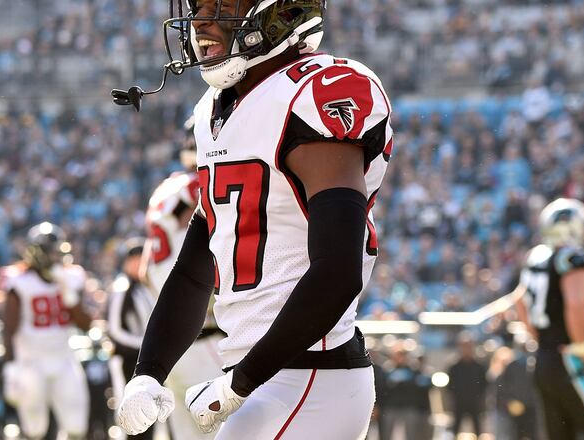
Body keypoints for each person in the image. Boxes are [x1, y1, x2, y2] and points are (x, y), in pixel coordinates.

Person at [116, 0, 393, 438]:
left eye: (222, 5)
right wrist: (149, 372)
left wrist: (239, 383)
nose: (201, 21)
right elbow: (194, 268)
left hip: (311, 377)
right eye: (198, 6)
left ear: (280, 11)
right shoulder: (214, 110)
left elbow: (339, 271)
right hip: (265, 378)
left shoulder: (316, 91)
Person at [139, 117, 225, 440]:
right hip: (204, 336)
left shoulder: (165, 189)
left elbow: (146, 272)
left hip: (170, 341)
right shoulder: (199, 186)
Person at [515, 198, 584, 440]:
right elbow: (576, 302)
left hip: (543, 360)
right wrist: (581, 348)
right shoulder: (572, 259)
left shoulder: (536, 257)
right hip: (570, 361)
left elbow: (519, 302)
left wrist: (542, 339)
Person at [0, 222, 93, 440]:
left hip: (64, 358)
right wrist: (10, 366)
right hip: (31, 362)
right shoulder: (19, 281)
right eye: (52, 253)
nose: (57, 258)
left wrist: (69, 295)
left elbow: (85, 324)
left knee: (76, 425)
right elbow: (9, 328)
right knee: (34, 428)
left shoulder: (71, 277)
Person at [107, 239, 157, 440]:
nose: (139, 265)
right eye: (135, 260)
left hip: (146, 360)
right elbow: (114, 330)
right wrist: (143, 346)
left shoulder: (144, 287)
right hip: (128, 360)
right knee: (131, 415)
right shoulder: (122, 288)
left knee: (148, 414)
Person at [447, 336, 487, 437]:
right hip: (459, 402)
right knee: (455, 428)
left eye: (469, 346)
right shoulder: (454, 367)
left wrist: (479, 398)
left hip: (475, 403)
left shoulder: (479, 366)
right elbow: (450, 385)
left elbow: (484, 384)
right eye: (464, 346)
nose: (466, 349)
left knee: (478, 429)